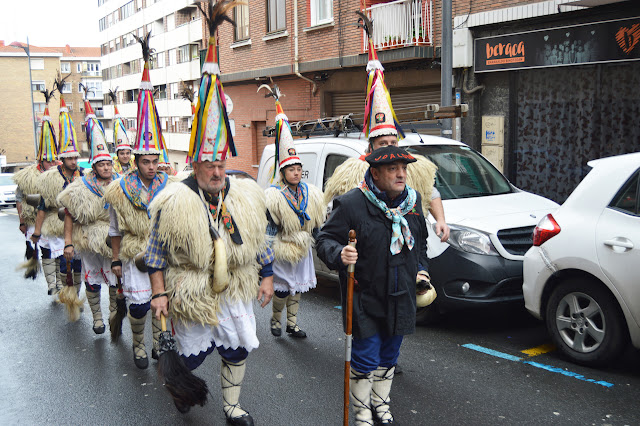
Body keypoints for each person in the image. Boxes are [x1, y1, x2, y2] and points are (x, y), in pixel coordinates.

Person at [147, 5, 273, 423]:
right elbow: (154, 254)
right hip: (192, 292)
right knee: (191, 358)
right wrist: (160, 293)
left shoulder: (246, 193)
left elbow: (259, 240)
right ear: (194, 164)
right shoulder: (174, 200)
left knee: (237, 349)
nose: (217, 170)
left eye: (221, 161)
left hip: (234, 288)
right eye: (208, 163)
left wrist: (268, 275)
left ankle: (233, 407)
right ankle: (181, 386)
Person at [316, 145, 430, 425]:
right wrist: (339, 253)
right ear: (375, 173)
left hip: (401, 293)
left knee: (390, 356)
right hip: (365, 296)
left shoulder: (412, 203)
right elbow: (324, 240)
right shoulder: (352, 203)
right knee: (366, 357)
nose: (401, 174)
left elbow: (421, 244)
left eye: (404, 168)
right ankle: (362, 412)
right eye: (393, 169)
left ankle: (380, 405)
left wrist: (422, 271)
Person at [324, 13, 449, 243]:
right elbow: (336, 213)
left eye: (393, 142)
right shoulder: (350, 172)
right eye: (383, 144)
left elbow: (431, 193)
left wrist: (440, 220)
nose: (390, 148)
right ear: (371, 147)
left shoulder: (414, 167)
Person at [104, 32, 170, 369]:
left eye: (156, 160)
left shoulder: (167, 184)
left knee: (164, 300)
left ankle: (161, 343)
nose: (152, 166)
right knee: (140, 306)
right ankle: (139, 345)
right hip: (133, 254)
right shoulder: (119, 187)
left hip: (162, 252)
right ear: (135, 160)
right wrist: (116, 260)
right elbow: (114, 228)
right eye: (146, 161)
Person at [261, 86, 324, 338]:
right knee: (283, 290)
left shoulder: (311, 193)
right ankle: (276, 321)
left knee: (297, 289)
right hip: (283, 248)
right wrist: (265, 254)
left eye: (299, 168)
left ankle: (292, 324)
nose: (296, 172)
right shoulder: (275, 196)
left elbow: (316, 223)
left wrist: (321, 242)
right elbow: (269, 228)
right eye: (291, 169)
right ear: (283, 173)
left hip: (303, 248)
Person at [58, 97, 120, 333]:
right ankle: (97, 318)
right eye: (102, 164)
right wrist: (68, 243)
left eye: (109, 164)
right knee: (93, 280)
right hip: (89, 241)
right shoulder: (79, 188)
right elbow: (69, 216)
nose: (106, 167)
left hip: (113, 241)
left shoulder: (120, 186)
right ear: (94, 167)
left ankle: (114, 315)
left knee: (116, 279)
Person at [32, 86, 84, 298]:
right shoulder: (51, 179)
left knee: (78, 264)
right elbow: (43, 207)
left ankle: (75, 293)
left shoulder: (83, 176)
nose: (74, 161)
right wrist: (36, 232)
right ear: (62, 159)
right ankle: (60, 288)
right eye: (70, 158)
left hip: (78, 228)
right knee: (60, 259)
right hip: (56, 226)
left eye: (76, 158)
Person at [14, 84, 58, 289]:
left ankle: (60, 282)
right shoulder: (27, 176)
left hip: (55, 220)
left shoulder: (59, 175)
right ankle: (51, 284)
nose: (51, 163)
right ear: (41, 159)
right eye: (48, 160)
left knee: (60, 252)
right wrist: (23, 222)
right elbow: (19, 200)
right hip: (34, 220)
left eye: (54, 160)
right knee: (45, 250)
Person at [108, 88, 136, 175]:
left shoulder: (135, 165)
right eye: (122, 153)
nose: (125, 156)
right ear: (117, 154)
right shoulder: (111, 167)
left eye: (127, 153)